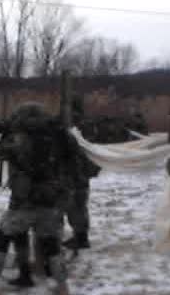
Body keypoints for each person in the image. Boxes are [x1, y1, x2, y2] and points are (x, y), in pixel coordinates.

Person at [0, 102, 71, 295]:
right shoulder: (55, 137)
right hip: (49, 199)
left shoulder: (18, 138)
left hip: (24, 202)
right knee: (51, 242)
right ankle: (62, 286)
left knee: (2, 236)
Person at [63, 95, 101, 251]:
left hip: (75, 172)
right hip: (82, 172)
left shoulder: (75, 125)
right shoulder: (87, 124)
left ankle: (81, 239)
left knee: (76, 206)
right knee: (80, 205)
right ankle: (81, 237)